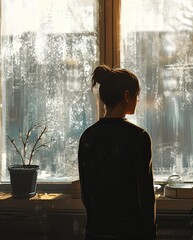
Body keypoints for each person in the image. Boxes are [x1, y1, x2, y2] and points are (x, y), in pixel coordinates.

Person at [78, 65, 156, 240]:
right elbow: (145, 196)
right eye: (136, 95)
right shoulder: (139, 137)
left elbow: (86, 192)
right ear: (126, 96)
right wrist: (150, 233)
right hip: (130, 233)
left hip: (95, 232)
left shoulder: (87, 136)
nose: (138, 100)